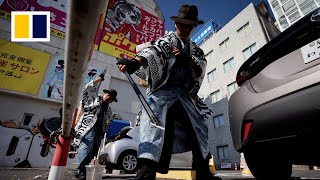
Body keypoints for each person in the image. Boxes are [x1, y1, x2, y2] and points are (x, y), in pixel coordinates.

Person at [117, 4, 221, 180]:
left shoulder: (195, 50)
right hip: (163, 91)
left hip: (186, 95)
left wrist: (187, 60)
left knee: (199, 127)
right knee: (153, 120)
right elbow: (153, 52)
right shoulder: (167, 40)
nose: (185, 29)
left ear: (194, 26)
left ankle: (203, 172)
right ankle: (146, 170)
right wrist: (135, 63)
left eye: (189, 26)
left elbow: (200, 65)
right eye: (182, 25)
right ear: (175, 25)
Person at [72, 70, 118, 180]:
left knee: (93, 151)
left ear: (112, 100)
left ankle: (81, 170)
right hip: (88, 127)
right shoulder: (94, 99)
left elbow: (109, 122)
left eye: (111, 97)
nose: (108, 97)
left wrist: (105, 131)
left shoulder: (109, 111)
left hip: (99, 131)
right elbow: (88, 87)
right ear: (104, 94)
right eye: (108, 94)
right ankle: (82, 169)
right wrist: (100, 79)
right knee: (87, 145)